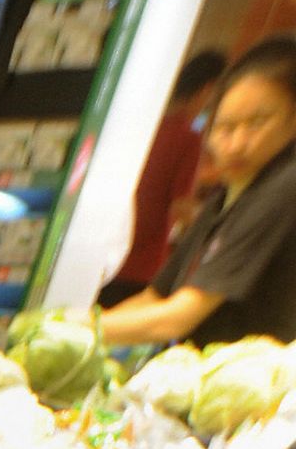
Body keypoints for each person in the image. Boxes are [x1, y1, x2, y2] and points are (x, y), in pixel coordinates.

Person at [99, 36, 296, 349]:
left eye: (257, 123)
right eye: (224, 128)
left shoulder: (284, 185)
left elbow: (176, 317)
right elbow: (155, 296)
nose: (236, 144)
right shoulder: (227, 194)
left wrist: (76, 329)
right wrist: (76, 331)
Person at [98, 49, 226, 308]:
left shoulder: (147, 127)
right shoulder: (188, 139)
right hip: (141, 265)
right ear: (208, 89)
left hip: (106, 254)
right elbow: (182, 208)